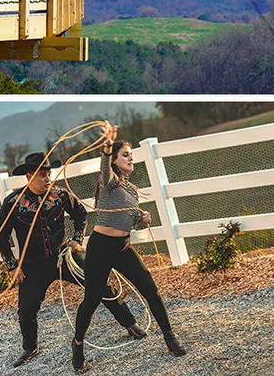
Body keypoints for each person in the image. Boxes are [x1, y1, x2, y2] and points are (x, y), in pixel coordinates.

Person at [0, 152, 145, 369]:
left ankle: (130, 324)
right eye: (42, 175)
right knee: (26, 309)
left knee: (100, 284)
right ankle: (30, 347)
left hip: (64, 255)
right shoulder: (13, 203)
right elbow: (1, 237)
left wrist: (76, 239)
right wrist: (12, 266)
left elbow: (80, 214)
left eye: (49, 174)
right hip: (33, 264)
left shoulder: (60, 195)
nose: (47, 179)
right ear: (29, 176)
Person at [72, 127, 184, 371]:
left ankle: (169, 336)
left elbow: (131, 222)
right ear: (114, 160)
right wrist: (106, 148)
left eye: (131, 154)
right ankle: (78, 344)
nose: (131, 158)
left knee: (150, 289)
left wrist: (142, 219)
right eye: (125, 154)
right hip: (100, 248)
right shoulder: (109, 183)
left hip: (123, 247)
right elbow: (104, 170)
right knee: (92, 299)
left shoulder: (132, 190)